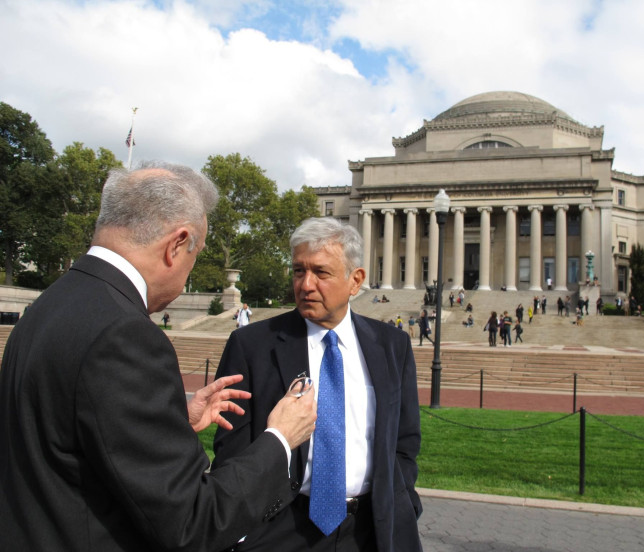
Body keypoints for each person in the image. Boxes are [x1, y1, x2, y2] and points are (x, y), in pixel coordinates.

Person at [0, 162, 318, 551]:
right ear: (176, 244)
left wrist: (174, 422)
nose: (187, 275)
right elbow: (194, 522)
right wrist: (281, 438)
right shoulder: (127, 335)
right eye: (195, 255)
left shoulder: (50, 304)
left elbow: (65, 438)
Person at [212, 217, 423, 552]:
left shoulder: (391, 345)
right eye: (298, 271)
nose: (306, 284)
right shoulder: (252, 346)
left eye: (321, 273)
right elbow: (231, 448)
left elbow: (404, 440)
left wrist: (401, 499)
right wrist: (246, 532)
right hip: (281, 529)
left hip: (373, 530)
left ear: (356, 281)